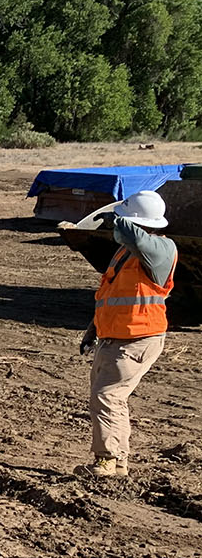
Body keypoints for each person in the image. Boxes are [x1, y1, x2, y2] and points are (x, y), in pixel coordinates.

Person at [78, 189, 178, 477]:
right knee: (112, 398)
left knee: (106, 396)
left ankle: (106, 460)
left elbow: (133, 234)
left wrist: (112, 214)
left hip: (137, 340)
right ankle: (117, 462)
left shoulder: (161, 250)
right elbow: (110, 295)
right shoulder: (125, 254)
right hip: (116, 338)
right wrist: (93, 329)